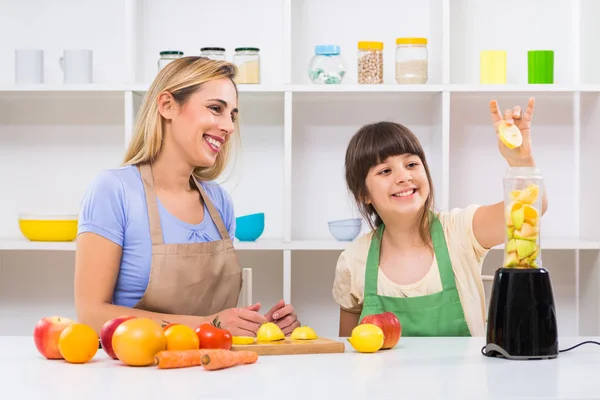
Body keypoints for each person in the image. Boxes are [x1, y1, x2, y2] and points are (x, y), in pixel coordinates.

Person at [74, 57, 299, 337]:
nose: (229, 126)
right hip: (136, 374)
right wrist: (209, 324)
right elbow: (91, 315)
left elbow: (218, 320)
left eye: (233, 115)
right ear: (167, 105)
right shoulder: (114, 190)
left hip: (211, 371)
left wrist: (258, 327)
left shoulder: (219, 202)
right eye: (216, 108)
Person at [332, 98, 548, 337]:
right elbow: (349, 356)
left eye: (412, 164)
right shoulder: (353, 260)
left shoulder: (461, 231)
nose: (404, 177)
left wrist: (520, 160)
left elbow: (533, 210)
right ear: (363, 193)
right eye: (385, 171)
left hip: (467, 375)